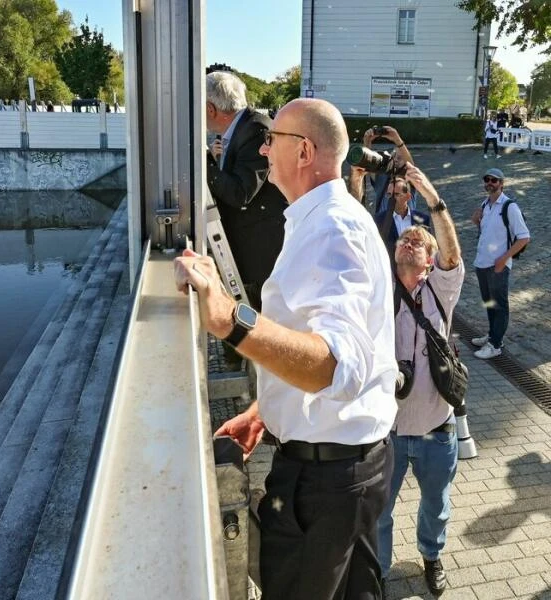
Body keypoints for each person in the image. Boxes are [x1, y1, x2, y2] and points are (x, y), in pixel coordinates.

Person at [174, 97, 397, 599]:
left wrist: (232, 321)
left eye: (272, 138)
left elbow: (334, 365)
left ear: (304, 152)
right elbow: (329, 344)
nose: (265, 147)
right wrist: (267, 407)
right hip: (346, 472)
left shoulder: (331, 229)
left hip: (326, 482)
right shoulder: (323, 219)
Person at [378, 162, 464, 597]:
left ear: (431, 262)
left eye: (420, 240)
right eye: (406, 238)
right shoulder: (380, 289)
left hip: (435, 427)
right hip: (387, 430)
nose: (411, 239)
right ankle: (378, 570)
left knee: (436, 505)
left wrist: (433, 199)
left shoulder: (441, 290)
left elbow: (452, 251)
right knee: (379, 511)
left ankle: (432, 557)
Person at [205, 71, 287, 311]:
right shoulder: (244, 127)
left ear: (211, 109)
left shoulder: (256, 129)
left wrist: (204, 164)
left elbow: (241, 193)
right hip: (253, 249)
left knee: (260, 327)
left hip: (260, 254)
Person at [470, 167, 530, 359]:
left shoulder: (509, 207)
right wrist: (476, 221)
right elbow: (488, 232)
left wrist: (504, 259)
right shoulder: (485, 204)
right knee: (490, 303)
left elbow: (524, 237)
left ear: (502, 184)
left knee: (500, 305)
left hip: (498, 265)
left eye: (494, 180)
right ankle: (492, 334)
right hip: (482, 262)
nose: (490, 183)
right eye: (487, 179)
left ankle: (495, 344)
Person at [348, 125, 417, 213]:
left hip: (407, 226)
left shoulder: (410, 182)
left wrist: (397, 139)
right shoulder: (383, 179)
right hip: (383, 225)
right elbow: (366, 165)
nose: (395, 159)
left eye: (399, 158)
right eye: (394, 156)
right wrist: (367, 142)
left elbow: (410, 165)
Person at [373, 176, 432, 258]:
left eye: (396, 194)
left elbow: (429, 247)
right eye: (389, 195)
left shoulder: (422, 219)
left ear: (408, 196)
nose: (391, 199)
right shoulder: (378, 220)